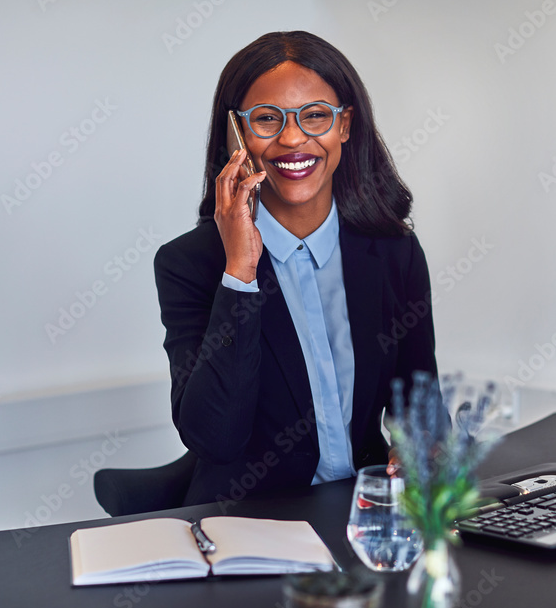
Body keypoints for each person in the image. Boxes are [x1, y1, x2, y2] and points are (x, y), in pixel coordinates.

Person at [154, 31, 437, 506]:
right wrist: (239, 272)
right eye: (266, 119)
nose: (292, 138)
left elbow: (418, 396)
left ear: (344, 125)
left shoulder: (393, 252)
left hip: (363, 517)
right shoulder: (191, 264)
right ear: (236, 134)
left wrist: (419, 445)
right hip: (249, 527)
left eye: (315, 116)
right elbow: (215, 439)